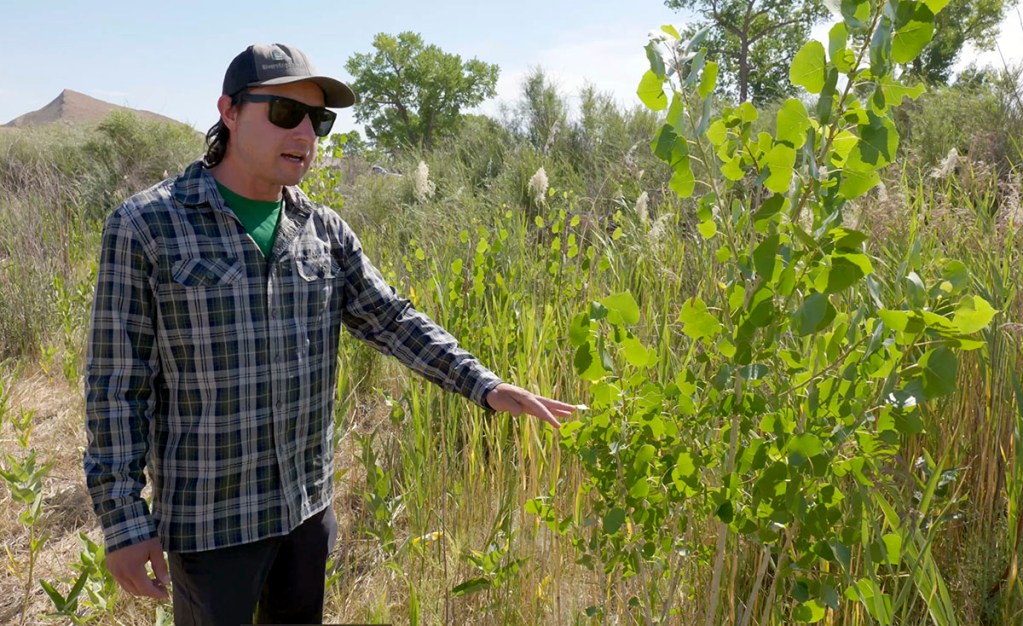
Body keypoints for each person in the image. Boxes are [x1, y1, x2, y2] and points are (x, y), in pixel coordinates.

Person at [84, 42, 576, 626]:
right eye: (286, 114)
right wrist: (123, 521)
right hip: (210, 524)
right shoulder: (148, 225)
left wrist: (485, 386)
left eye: (318, 120)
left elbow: (391, 319)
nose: (306, 135)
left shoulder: (323, 232)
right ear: (229, 111)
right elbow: (118, 385)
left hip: (306, 514)